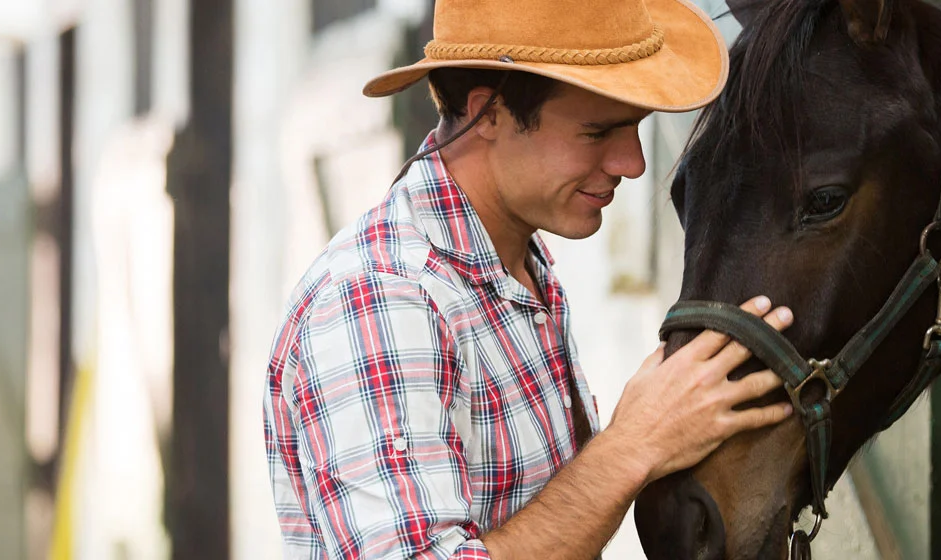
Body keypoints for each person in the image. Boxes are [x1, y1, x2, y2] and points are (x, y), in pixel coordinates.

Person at [262, 0, 795, 557]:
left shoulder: (511, 264)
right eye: (597, 132)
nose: (633, 163)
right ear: (486, 113)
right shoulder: (381, 300)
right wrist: (634, 444)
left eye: (635, 127)